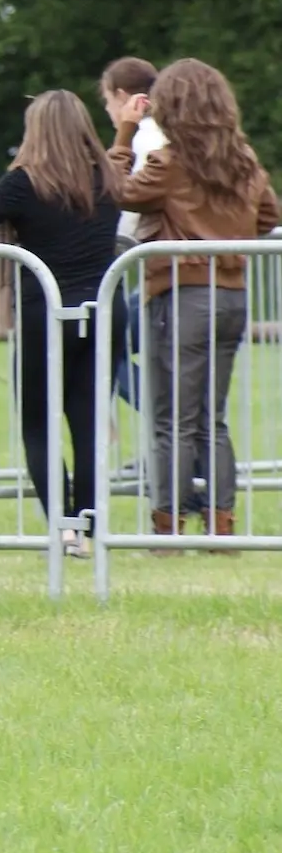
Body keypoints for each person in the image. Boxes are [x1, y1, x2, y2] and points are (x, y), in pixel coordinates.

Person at [106, 60, 278, 547]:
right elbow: (268, 216)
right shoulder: (243, 159)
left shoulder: (169, 159)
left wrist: (124, 133)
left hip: (180, 295)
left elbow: (117, 192)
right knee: (211, 418)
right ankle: (221, 524)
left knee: (170, 420)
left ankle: (169, 526)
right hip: (232, 295)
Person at [0, 90, 123, 556]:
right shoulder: (108, 175)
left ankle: (64, 528)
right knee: (90, 421)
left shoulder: (25, 182)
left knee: (40, 424)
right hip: (104, 310)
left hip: (45, 314)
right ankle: (89, 528)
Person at [100, 57, 166, 409]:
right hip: (177, 268)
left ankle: (163, 421)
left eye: (109, 101)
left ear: (123, 96)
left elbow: (123, 198)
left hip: (164, 269)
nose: (109, 110)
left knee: (105, 344)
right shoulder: (169, 133)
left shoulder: (144, 139)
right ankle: (167, 440)